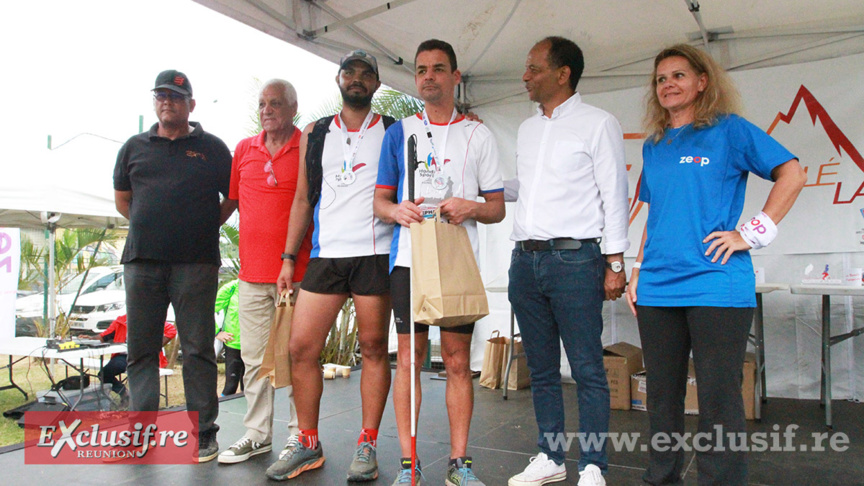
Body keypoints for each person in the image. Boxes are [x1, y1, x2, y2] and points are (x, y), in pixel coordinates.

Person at [625, 44, 806, 485]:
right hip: (658, 287)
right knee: (662, 398)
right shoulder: (655, 145)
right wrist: (637, 268)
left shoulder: (730, 131)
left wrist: (752, 233)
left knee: (719, 399)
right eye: (661, 78)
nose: (668, 84)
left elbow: (793, 172)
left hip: (715, 285)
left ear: (702, 82)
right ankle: (662, 478)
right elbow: (656, 212)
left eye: (678, 76)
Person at [374, 39, 505, 486]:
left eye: (438, 68)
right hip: (408, 260)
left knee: (455, 361)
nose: (429, 76)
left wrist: (470, 207)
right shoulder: (399, 132)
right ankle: (408, 465)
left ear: (455, 77)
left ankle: (458, 464)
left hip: (454, 259)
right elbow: (380, 200)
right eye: (422, 70)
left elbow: (497, 207)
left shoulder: (478, 134)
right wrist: (397, 212)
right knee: (408, 358)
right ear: (416, 79)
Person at [264, 50, 395, 483]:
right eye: (350, 73)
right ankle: (307, 442)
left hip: (375, 253)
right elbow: (303, 199)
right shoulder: (316, 132)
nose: (357, 80)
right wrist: (288, 257)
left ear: (376, 84)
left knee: (375, 349)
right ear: (339, 80)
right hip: (325, 255)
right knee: (300, 349)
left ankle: (368, 443)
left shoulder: (394, 131)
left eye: (366, 75)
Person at [506, 37, 630, 486]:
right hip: (525, 260)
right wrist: (479, 186)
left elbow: (615, 192)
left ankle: (594, 464)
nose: (525, 76)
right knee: (540, 367)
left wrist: (616, 263)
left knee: (586, 368)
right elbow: (527, 186)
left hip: (576, 259)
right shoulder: (526, 128)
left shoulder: (598, 123)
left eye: (534, 68)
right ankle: (550, 457)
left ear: (562, 74)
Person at [114, 69, 234, 462]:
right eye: (161, 96)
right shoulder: (133, 147)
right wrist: (154, 228)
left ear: (191, 105)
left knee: (198, 349)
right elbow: (123, 201)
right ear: (154, 102)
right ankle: (141, 431)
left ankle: (203, 433)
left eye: (176, 97)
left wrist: (202, 224)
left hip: (196, 263)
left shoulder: (213, 147)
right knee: (141, 350)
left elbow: (231, 197)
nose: (168, 102)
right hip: (142, 262)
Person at [216, 79, 313, 465]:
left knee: (294, 356)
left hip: (297, 273)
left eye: (275, 103)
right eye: (261, 104)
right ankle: (257, 434)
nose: (266, 110)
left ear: (293, 108)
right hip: (251, 274)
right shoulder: (244, 150)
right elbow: (231, 203)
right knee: (254, 358)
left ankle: (298, 435)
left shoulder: (306, 147)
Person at [78, 315, 177, 408]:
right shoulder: (121, 320)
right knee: (104, 374)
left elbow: (171, 331)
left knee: (142, 375)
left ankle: (144, 402)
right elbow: (103, 337)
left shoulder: (149, 317)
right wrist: (90, 339)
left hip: (144, 356)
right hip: (124, 356)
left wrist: (153, 347)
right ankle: (124, 394)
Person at [214, 279, 244, 396]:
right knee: (230, 386)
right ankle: (222, 412)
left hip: (255, 345)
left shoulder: (262, 287)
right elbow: (209, 309)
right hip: (233, 344)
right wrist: (217, 333)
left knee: (250, 388)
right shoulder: (231, 288)